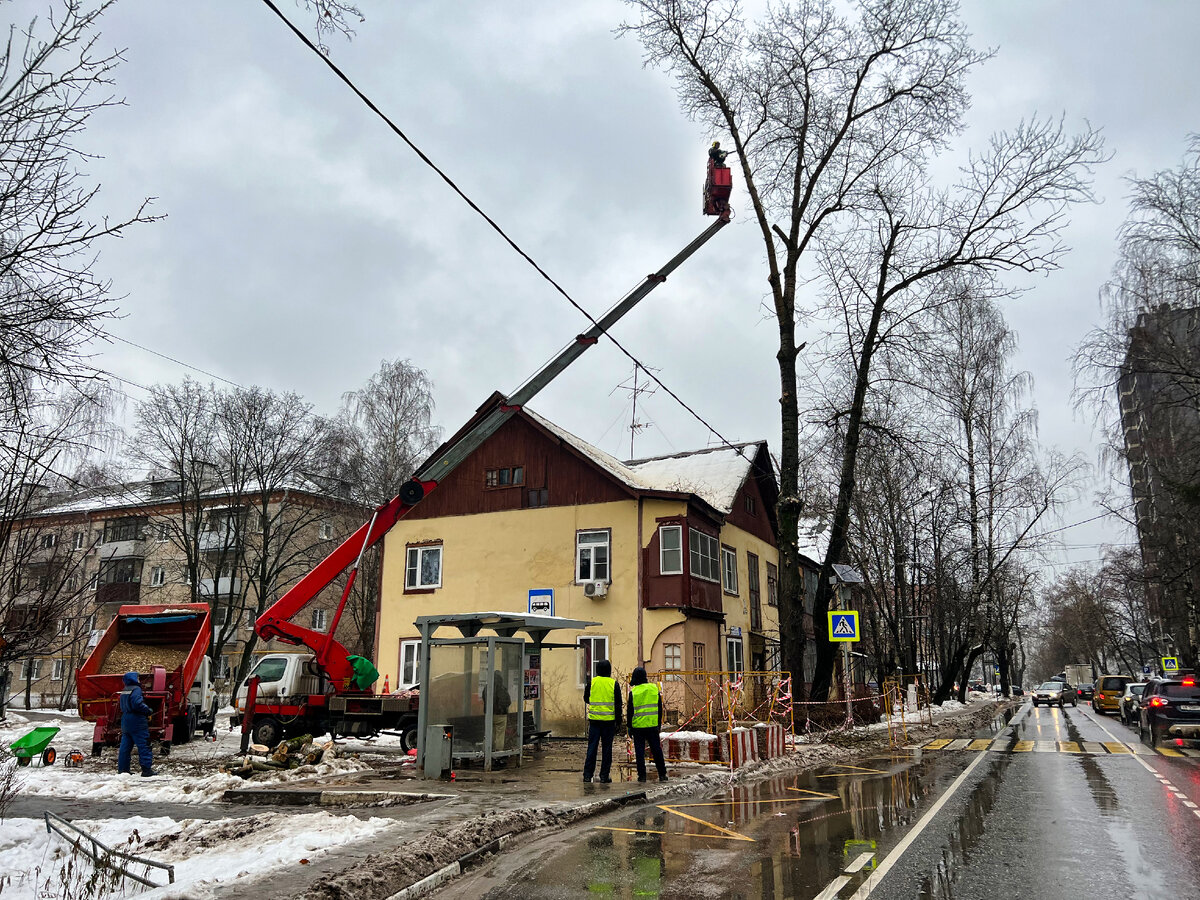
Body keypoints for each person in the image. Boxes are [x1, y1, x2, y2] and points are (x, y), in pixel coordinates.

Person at [582, 659, 621, 783]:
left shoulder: (592, 682)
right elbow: (618, 705)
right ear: (609, 670)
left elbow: (586, 698)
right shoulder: (614, 684)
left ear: (597, 670)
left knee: (592, 748)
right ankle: (604, 775)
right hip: (609, 722)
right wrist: (618, 722)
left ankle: (588, 775)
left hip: (594, 721)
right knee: (607, 749)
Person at [627, 667, 668, 782]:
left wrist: (629, 727)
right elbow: (660, 709)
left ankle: (642, 776)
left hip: (638, 727)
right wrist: (659, 723)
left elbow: (630, 712)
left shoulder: (633, 692)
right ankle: (662, 774)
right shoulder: (654, 689)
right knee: (656, 750)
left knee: (639, 752)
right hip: (652, 726)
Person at [117, 671, 156, 777]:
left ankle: (123, 770)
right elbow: (137, 703)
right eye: (138, 677)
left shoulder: (125, 690)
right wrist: (147, 710)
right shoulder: (136, 689)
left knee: (125, 747)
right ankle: (146, 770)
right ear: (134, 678)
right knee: (144, 744)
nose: (139, 679)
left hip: (125, 720)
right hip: (137, 720)